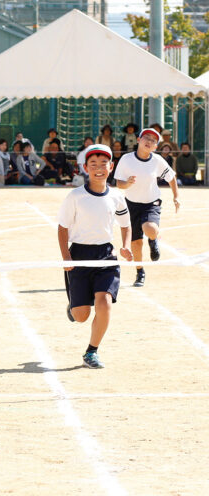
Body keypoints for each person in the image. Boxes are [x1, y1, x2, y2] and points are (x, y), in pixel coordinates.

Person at [58, 144, 133, 369]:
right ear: (85, 167)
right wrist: (66, 257)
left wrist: (126, 246)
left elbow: (126, 224)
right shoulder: (75, 196)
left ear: (111, 167)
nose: (99, 168)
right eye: (93, 164)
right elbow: (62, 228)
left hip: (106, 256)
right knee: (81, 316)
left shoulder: (117, 197)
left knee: (104, 303)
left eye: (103, 164)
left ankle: (91, 351)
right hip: (79, 255)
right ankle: (73, 305)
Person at [113, 128, 179, 287]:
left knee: (150, 228)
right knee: (136, 244)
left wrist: (176, 196)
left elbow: (171, 178)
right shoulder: (126, 159)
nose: (149, 141)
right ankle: (140, 271)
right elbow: (118, 183)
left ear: (156, 146)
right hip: (131, 204)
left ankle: (153, 239)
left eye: (153, 140)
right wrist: (127, 183)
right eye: (146, 138)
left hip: (151, 202)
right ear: (138, 140)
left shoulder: (157, 160)